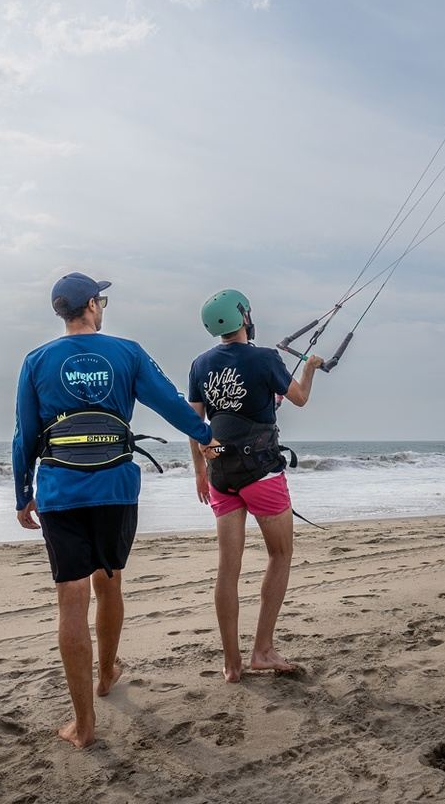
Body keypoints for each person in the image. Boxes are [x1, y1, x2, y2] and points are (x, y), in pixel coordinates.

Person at [12, 272, 212, 748]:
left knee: (71, 600)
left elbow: (24, 433)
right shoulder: (127, 351)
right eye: (101, 300)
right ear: (92, 307)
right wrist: (207, 439)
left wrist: (23, 493)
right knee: (111, 580)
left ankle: (83, 726)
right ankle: (106, 675)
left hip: (61, 490)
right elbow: (172, 404)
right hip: (117, 489)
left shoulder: (37, 360)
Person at [187, 289, 321, 682]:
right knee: (279, 556)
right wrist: (310, 366)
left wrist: (199, 472)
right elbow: (298, 398)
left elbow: (195, 424)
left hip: (221, 476)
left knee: (227, 569)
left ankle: (232, 665)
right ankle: (261, 650)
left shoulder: (200, 364)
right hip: (261, 472)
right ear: (244, 316)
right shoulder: (265, 358)